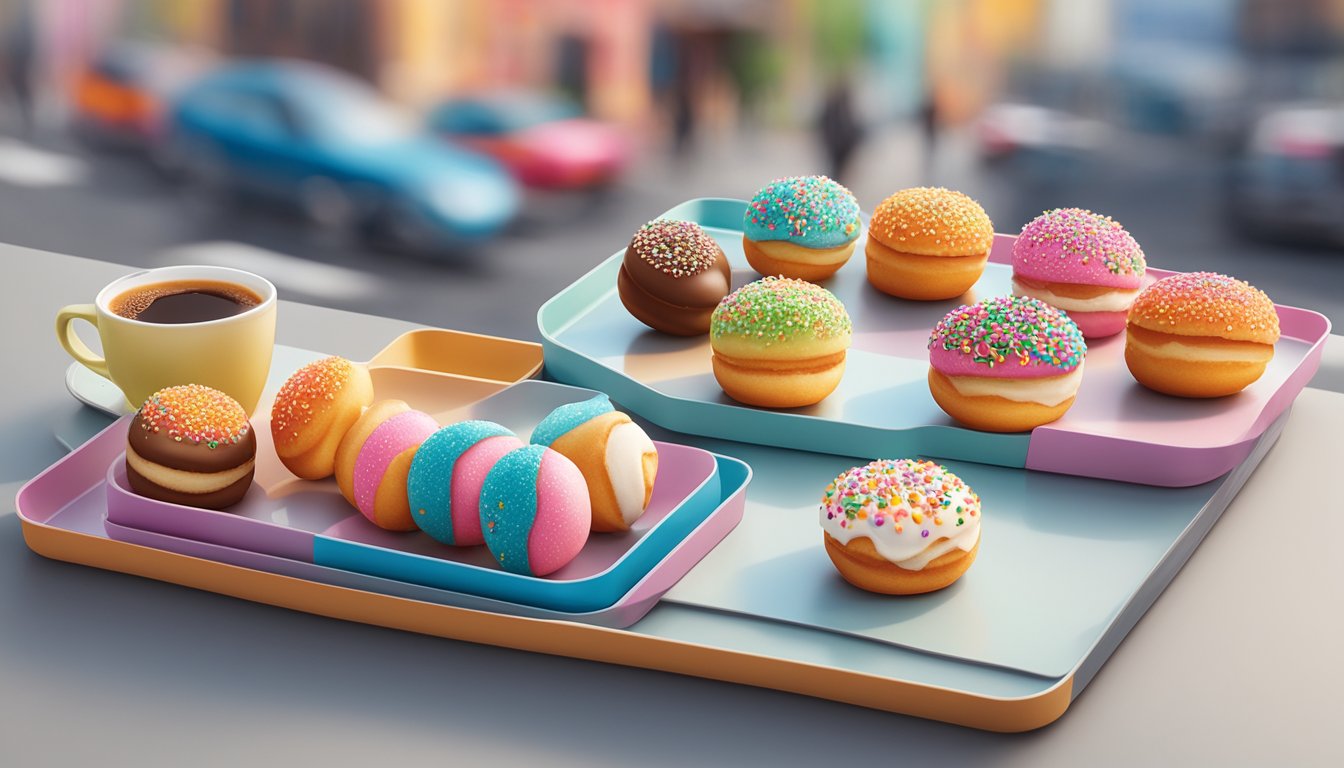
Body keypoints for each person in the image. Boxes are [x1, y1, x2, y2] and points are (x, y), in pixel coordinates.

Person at [817, 77, 862, 182]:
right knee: (836, 168)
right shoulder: (838, 106)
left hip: (840, 144)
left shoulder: (841, 106)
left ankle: (836, 181)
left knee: (836, 168)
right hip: (838, 144)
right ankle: (836, 181)